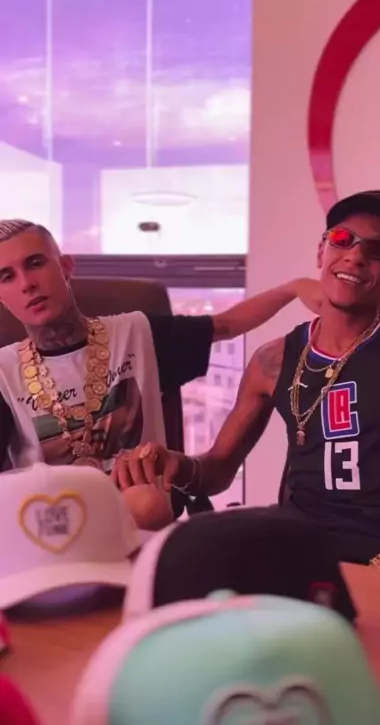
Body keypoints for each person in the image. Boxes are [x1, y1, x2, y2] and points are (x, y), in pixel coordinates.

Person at [114, 191, 380, 573]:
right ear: (322, 251)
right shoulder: (272, 360)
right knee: (176, 564)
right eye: (342, 239)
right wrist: (175, 464)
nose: (355, 256)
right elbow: (217, 470)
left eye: (377, 250)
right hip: (299, 550)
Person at [0, 218, 324, 521]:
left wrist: (292, 288)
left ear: (66, 266)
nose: (27, 284)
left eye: (36, 263)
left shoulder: (137, 333)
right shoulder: (4, 373)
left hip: (140, 513)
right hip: (48, 525)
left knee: (145, 503)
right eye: (6, 276)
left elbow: (227, 325)